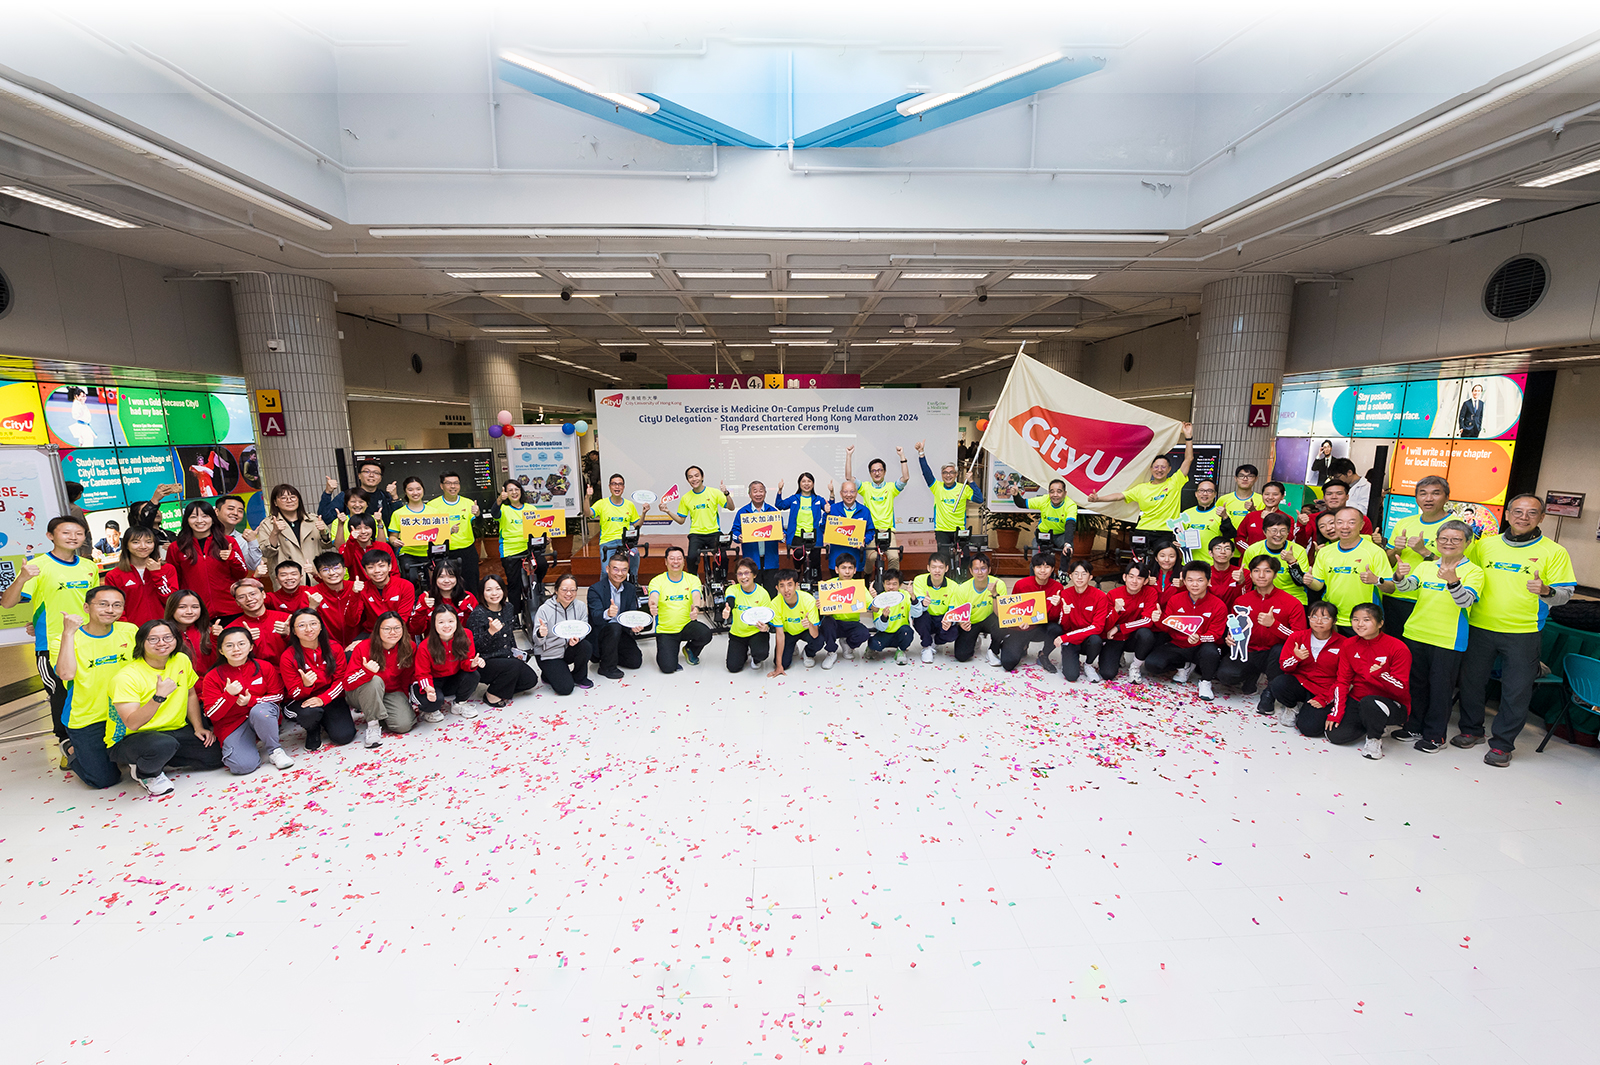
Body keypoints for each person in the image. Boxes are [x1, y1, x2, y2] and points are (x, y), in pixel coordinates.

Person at [1454, 494, 1576, 766]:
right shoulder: (1485, 545)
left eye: (1532, 513)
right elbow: (1461, 569)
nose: (1524, 517)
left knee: (1516, 689)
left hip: (1524, 632)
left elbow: (1565, 593)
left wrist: (1547, 591)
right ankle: (1471, 730)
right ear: (1507, 515)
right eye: (1518, 511)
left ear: (1541, 518)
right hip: (1479, 626)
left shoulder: (1554, 551)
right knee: (1471, 682)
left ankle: (1502, 745)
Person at [0, 515, 96, 752]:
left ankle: (93, 739)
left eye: (79, 533)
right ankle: (66, 742)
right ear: (50, 536)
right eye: (66, 532)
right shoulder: (38, 566)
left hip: (88, 640)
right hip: (51, 644)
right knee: (59, 694)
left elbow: (95, 605)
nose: (73, 537)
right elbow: (7, 603)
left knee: (88, 689)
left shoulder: (89, 567)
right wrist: (22, 578)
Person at [1388, 520, 1483, 754]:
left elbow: (1465, 601)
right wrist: (1399, 577)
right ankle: (1414, 727)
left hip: (1448, 639)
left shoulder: (1474, 571)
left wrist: (1453, 581)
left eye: (1456, 539)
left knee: (1440, 689)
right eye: (1444, 539)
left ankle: (1435, 735)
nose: (1449, 543)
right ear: (1437, 541)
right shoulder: (1426, 566)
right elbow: (1408, 587)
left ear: (1467, 543)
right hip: (1416, 633)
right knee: (1417, 685)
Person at [107, 618, 223, 796]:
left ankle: (158, 757)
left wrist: (198, 727)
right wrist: (158, 697)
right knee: (162, 745)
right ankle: (145, 772)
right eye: (153, 639)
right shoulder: (126, 677)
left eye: (168, 637)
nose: (162, 643)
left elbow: (191, 693)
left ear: (176, 639)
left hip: (174, 729)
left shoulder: (180, 659)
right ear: (141, 642)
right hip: (132, 738)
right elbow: (132, 723)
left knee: (215, 756)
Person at [56, 586, 137, 789]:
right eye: (103, 604)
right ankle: (72, 750)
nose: (110, 610)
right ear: (86, 607)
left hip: (125, 713)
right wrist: (68, 633)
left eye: (116, 605)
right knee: (103, 780)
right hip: (87, 718)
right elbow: (66, 674)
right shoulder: (64, 639)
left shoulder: (129, 631)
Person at [1087, 422, 1194, 561]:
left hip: (1165, 532)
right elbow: (1120, 495)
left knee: (1163, 563)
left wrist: (1188, 437)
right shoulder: (1141, 488)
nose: (1159, 470)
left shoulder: (1175, 482)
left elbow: (1189, 459)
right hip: (1143, 530)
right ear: (1151, 469)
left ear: (1169, 469)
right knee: (1139, 563)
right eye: (1156, 467)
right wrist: (1098, 498)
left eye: (1163, 467)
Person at [1323, 603, 1411, 760]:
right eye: (1355, 619)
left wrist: (1382, 674)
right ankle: (1371, 724)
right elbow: (1342, 681)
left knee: (1370, 703)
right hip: (1359, 700)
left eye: (1366, 620)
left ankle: (1374, 738)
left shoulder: (1398, 648)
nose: (1359, 624)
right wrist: (1336, 713)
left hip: (1391, 703)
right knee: (1336, 736)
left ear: (1380, 623)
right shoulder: (1349, 644)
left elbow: (1401, 688)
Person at [202, 626, 294, 773]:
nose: (236, 649)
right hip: (233, 724)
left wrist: (252, 701)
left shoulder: (264, 666)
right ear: (220, 650)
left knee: (260, 711)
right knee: (242, 766)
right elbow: (211, 714)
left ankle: (274, 750)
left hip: (261, 715)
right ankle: (247, 746)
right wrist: (228, 695)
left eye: (241, 644)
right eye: (229, 645)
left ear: (251, 646)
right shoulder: (212, 676)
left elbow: (278, 696)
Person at [1219, 556, 1306, 708]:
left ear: (1275, 574)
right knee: (1225, 675)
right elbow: (1236, 628)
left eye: (1267, 571)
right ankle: (1252, 675)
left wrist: (1274, 625)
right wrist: (1230, 637)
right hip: (1249, 651)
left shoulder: (1291, 602)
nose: (1261, 575)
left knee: (1279, 650)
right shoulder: (1242, 601)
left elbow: (1299, 638)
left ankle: (1270, 692)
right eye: (1256, 571)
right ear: (1250, 575)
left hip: (1273, 654)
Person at [1144, 560, 1228, 700]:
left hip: (1201, 647)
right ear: (1184, 581)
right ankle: (1184, 666)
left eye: (1200, 580)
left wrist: (1200, 638)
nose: (1194, 584)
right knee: (1152, 664)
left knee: (1211, 652)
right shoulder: (1175, 600)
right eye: (1190, 580)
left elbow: (1216, 634)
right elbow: (1167, 627)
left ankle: (1205, 682)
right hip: (1178, 644)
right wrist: (1157, 619)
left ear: (1208, 581)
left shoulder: (1218, 605)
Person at [1304, 507, 1395, 633]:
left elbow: (1391, 588)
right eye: (1339, 522)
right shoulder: (1324, 552)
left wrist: (1376, 581)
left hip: (1363, 621)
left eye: (1351, 522)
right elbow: (1318, 585)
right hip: (1333, 619)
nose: (1345, 527)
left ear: (1361, 525)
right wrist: (1309, 581)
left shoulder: (1375, 552)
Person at [1383, 475, 1453, 637]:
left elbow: (1457, 569)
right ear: (1416, 498)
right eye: (1423, 493)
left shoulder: (1457, 527)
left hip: (1431, 598)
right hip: (1397, 596)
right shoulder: (1404, 523)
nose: (1428, 498)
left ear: (1446, 497)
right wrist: (1396, 551)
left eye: (1436, 493)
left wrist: (1424, 552)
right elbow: (1389, 562)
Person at [279, 608, 357, 750]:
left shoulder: (334, 648)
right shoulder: (287, 656)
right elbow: (294, 693)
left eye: (313, 623)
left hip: (329, 697)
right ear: (294, 631)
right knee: (311, 713)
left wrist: (324, 698)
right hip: (300, 700)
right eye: (301, 625)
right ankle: (312, 728)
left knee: (344, 736)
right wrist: (306, 686)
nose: (309, 629)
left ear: (321, 626)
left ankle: (324, 720)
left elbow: (341, 680)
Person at [1268, 601, 1348, 732]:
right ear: (1309, 618)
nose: (1319, 621)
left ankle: (1308, 708)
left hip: (1324, 690)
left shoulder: (1344, 643)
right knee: (1279, 683)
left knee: (1309, 729)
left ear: (1334, 621)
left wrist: (1325, 699)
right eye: (1314, 617)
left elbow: (1344, 678)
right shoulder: (1297, 637)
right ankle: (1292, 706)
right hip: (1301, 684)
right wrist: (1296, 658)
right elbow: (1284, 666)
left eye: (1325, 618)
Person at [343, 611, 417, 744]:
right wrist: (366, 672)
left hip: (390, 692)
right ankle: (373, 725)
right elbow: (348, 683)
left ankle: (379, 711)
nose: (392, 632)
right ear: (378, 630)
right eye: (387, 629)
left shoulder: (409, 646)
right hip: (361, 692)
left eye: (397, 628)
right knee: (375, 679)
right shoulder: (363, 647)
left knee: (403, 725)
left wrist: (404, 700)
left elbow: (407, 676)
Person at [168, 501, 249, 619]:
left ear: (213, 518)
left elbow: (242, 573)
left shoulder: (228, 542)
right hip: (196, 612)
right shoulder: (176, 547)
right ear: (187, 520)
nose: (200, 521)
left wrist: (232, 558)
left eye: (205, 516)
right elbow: (175, 580)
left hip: (231, 609)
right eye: (193, 517)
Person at [468, 574, 539, 706]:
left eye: (498, 588)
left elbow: (510, 636)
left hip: (506, 657)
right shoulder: (477, 614)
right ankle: (491, 695)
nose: (494, 593)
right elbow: (474, 647)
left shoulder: (508, 608)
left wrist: (516, 653)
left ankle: (503, 686)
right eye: (488, 590)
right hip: (485, 662)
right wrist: (490, 632)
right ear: (482, 593)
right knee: (514, 666)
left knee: (530, 680)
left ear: (503, 590)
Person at [847, 446, 911, 575]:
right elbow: (849, 477)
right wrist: (849, 455)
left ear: (884, 472)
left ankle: (892, 582)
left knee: (894, 557)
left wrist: (902, 456)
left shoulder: (891, 488)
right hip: (870, 531)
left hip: (888, 531)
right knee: (870, 558)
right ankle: (867, 579)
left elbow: (905, 478)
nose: (877, 473)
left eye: (880, 470)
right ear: (870, 473)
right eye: (873, 471)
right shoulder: (865, 487)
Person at [649, 545, 713, 673]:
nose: (675, 562)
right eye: (672, 559)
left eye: (679, 558)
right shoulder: (657, 581)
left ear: (683, 561)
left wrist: (696, 607)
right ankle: (670, 650)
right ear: (666, 562)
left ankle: (690, 649)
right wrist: (652, 604)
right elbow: (654, 595)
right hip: (666, 631)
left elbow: (696, 594)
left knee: (706, 633)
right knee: (667, 668)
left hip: (686, 627)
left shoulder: (692, 579)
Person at [413, 605, 484, 720]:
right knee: (434, 701)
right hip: (434, 681)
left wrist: (472, 663)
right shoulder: (425, 646)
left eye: (451, 621)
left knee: (473, 675)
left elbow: (466, 661)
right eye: (441, 622)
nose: (447, 626)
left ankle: (459, 704)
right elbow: (422, 673)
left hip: (453, 678)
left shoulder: (466, 635)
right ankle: (429, 711)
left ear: (457, 621)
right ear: (434, 624)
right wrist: (428, 688)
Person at [660, 466, 733, 577]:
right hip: (696, 534)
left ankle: (720, 580)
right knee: (691, 558)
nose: (694, 479)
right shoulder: (686, 498)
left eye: (696, 476)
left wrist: (726, 493)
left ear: (702, 477)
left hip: (714, 532)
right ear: (688, 480)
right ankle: (693, 580)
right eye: (690, 477)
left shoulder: (714, 492)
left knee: (722, 557)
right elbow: (681, 520)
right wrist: (667, 511)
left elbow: (731, 507)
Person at [1098, 561, 1163, 683]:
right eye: (1131, 576)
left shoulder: (1150, 593)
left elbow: (1147, 621)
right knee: (1107, 674)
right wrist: (1116, 610)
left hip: (1133, 637)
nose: (1134, 581)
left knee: (1146, 634)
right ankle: (1119, 654)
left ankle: (1135, 666)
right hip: (1114, 638)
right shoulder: (1113, 594)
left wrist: (1119, 627)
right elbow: (1105, 624)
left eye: (1139, 578)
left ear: (1145, 581)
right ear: (1124, 577)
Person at [1000, 554, 1065, 673]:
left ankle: (1044, 655)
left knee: (1056, 628)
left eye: (1047, 567)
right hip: (1021, 628)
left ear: (1052, 569)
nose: (1043, 570)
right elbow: (1012, 611)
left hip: (1040, 627)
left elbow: (1055, 618)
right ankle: (1021, 646)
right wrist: (1018, 624)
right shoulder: (1021, 584)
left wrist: (1057, 606)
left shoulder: (1057, 587)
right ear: (1033, 568)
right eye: (1039, 566)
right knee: (1008, 663)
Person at [103, 527, 178, 627]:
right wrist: (127, 630)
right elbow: (116, 608)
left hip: (165, 629)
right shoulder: (114, 575)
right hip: (133, 632)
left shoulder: (168, 569)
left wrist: (157, 574)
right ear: (126, 545)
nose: (143, 546)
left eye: (148, 542)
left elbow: (172, 602)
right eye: (136, 542)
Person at [588, 554, 646, 679]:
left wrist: (633, 626)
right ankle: (607, 667)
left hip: (620, 633)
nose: (619, 573)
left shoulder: (630, 588)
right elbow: (595, 617)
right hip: (602, 633)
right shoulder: (595, 589)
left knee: (635, 662)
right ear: (607, 569)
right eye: (615, 569)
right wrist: (607, 613)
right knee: (614, 626)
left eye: (624, 570)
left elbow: (631, 612)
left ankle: (609, 655)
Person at [532, 575, 593, 695]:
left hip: (568, 648)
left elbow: (583, 628)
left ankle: (579, 677)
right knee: (565, 688)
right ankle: (548, 674)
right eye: (564, 590)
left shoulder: (580, 606)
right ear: (556, 590)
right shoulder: (544, 609)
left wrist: (578, 638)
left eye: (573, 590)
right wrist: (540, 634)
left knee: (586, 646)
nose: (569, 594)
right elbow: (536, 641)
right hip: (549, 653)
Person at [255, 483, 331, 579]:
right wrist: (275, 532)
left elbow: (328, 545)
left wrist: (324, 532)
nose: (289, 501)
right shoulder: (268, 524)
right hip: (287, 579)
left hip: (313, 574)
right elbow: (266, 553)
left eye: (293, 497)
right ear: (275, 502)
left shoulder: (313, 520)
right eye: (283, 498)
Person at [1240, 512, 1313, 609]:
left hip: (1294, 598)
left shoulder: (1299, 550)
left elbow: (1301, 582)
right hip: (1263, 597)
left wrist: (1292, 562)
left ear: (1288, 532)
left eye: (1283, 531)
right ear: (1264, 532)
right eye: (1274, 530)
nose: (1278, 535)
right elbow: (1248, 580)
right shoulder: (1253, 550)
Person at [1055, 559, 1111, 684]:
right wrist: (1066, 614)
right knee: (1071, 676)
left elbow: (1097, 627)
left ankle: (1089, 664)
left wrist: (1066, 637)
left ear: (1090, 577)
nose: (1079, 577)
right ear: (1070, 576)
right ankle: (1070, 659)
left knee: (1096, 639)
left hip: (1088, 640)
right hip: (1072, 641)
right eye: (1076, 573)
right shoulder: (1065, 594)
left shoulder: (1100, 596)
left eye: (1084, 574)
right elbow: (1064, 626)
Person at [915, 442, 976, 553]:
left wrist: (971, 481)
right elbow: (926, 473)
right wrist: (921, 453)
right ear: (942, 475)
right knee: (943, 559)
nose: (948, 475)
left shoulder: (963, 488)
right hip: (942, 531)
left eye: (951, 472)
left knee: (966, 558)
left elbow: (979, 499)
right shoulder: (936, 487)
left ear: (956, 474)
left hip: (959, 530)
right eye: (945, 473)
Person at [949, 554, 1007, 666]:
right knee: (961, 655)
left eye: (983, 568)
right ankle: (975, 640)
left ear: (989, 570)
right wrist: (962, 623)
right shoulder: (963, 589)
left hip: (990, 619)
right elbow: (959, 614)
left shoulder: (999, 584)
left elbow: (1001, 614)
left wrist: (995, 594)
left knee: (1002, 622)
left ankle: (993, 651)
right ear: (971, 570)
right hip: (972, 622)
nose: (980, 572)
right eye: (976, 569)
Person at [731, 480, 786, 595]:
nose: (758, 494)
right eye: (755, 491)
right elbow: (734, 532)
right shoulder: (743, 512)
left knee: (771, 593)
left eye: (761, 491)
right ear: (749, 494)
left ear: (765, 493)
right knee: (752, 594)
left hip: (770, 560)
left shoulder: (773, 512)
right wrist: (738, 537)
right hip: (751, 560)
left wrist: (783, 536)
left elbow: (781, 531)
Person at [431, 472, 482, 595]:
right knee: (447, 588)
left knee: (471, 586)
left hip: (467, 550)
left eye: (456, 483)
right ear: (441, 486)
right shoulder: (432, 506)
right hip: (444, 552)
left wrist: (478, 514)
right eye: (448, 483)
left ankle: (473, 612)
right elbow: (430, 531)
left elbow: (480, 526)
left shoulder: (469, 503)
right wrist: (448, 531)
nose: (452, 486)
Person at [490, 479, 533, 619]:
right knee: (514, 584)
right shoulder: (503, 509)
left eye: (517, 489)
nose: (514, 492)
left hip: (529, 549)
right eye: (510, 490)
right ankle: (514, 616)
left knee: (543, 564)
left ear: (521, 491)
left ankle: (535, 595)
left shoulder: (531, 509)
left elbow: (539, 527)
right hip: (510, 551)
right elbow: (494, 513)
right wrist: (499, 501)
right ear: (505, 493)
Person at [819, 555, 872, 668]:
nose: (847, 572)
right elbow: (825, 612)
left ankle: (848, 644)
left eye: (850, 568)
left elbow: (873, 607)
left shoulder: (859, 586)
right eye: (843, 568)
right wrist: (821, 606)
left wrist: (875, 598)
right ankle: (831, 652)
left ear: (855, 570)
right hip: (834, 623)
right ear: (837, 569)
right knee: (827, 622)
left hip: (852, 623)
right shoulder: (829, 585)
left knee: (864, 633)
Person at [1012, 478, 1079, 568]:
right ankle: (1034, 577)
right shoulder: (1044, 500)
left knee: (1068, 548)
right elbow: (1022, 504)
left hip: (1060, 534)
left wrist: (1067, 544)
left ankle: (1063, 572)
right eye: (1052, 492)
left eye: (1059, 491)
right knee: (1036, 559)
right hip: (1044, 533)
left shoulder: (1070, 505)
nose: (1055, 495)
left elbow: (1070, 525)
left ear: (1065, 493)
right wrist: (1016, 495)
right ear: (1048, 493)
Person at [768, 568, 824, 676]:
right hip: (788, 632)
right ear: (777, 588)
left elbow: (815, 634)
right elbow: (779, 634)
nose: (786, 590)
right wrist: (779, 665)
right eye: (782, 586)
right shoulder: (774, 604)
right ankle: (792, 646)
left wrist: (810, 625)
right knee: (783, 664)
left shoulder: (808, 600)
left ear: (796, 585)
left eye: (789, 585)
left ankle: (808, 653)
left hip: (805, 630)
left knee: (819, 640)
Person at [589, 474, 644, 582]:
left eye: (620, 484)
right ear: (609, 486)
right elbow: (588, 513)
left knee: (635, 553)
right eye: (614, 484)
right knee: (606, 571)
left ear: (623, 487)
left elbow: (637, 525)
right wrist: (587, 498)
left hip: (625, 541)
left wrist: (644, 513)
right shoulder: (602, 503)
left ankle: (634, 581)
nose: (617, 487)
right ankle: (604, 590)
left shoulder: (629, 505)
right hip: (607, 542)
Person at [724, 559, 775, 673]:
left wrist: (765, 628)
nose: (743, 577)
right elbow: (730, 600)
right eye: (740, 573)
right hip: (738, 633)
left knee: (761, 653)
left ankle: (756, 659)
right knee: (733, 667)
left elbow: (768, 619)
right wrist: (727, 609)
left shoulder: (763, 594)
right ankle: (744, 651)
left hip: (756, 632)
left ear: (754, 575)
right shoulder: (732, 589)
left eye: (747, 573)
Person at [307, 551, 367, 647]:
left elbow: (353, 621)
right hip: (326, 646)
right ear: (318, 574)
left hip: (356, 644)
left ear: (344, 570)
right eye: (325, 569)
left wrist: (355, 594)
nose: (331, 573)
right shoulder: (312, 594)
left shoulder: (357, 588)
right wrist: (312, 607)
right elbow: (306, 626)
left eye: (336, 568)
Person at [388, 477, 438, 588]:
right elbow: (392, 536)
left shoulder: (434, 512)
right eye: (410, 489)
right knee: (411, 580)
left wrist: (451, 530)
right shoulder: (398, 513)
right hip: (408, 553)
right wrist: (394, 541)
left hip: (430, 553)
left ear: (423, 490)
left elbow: (440, 533)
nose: (415, 493)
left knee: (435, 582)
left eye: (418, 489)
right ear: (405, 492)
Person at [357, 549, 422, 634]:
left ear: (390, 567)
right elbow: (352, 621)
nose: (377, 570)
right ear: (365, 571)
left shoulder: (405, 586)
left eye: (381, 566)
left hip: (399, 632)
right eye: (371, 567)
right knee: (353, 647)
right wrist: (355, 595)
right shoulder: (362, 588)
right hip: (372, 633)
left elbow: (403, 618)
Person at [910, 555, 959, 663]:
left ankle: (935, 642)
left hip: (942, 617)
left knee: (953, 632)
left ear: (946, 568)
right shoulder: (919, 580)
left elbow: (953, 609)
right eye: (934, 567)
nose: (937, 571)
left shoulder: (954, 586)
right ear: (928, 568)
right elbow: (917, 610)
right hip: (927, 616)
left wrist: (950, 620)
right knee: (921, 616)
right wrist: (923, 603)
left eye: (941, 567)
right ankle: (926, 646)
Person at [319, 460, 400, 525]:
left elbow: (400, 521)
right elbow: (325, 519)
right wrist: (328, 492)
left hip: (381, 543)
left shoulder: (385, 496)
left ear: (381, 478)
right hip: (353, 542)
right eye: (367, 472)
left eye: (376, 473)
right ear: (359, 475)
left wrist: (395, 496)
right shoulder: (347, 495)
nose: (371, 475)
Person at [775, 472, 830, 568]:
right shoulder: (794, 498)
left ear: (813, 483)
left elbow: (829, 508)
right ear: (799, 484)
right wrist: (780, 490)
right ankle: (798, 573)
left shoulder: (818, 499)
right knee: (798, 560)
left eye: (809, 481)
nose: (806, 484)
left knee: (815, 565)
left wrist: (832, 494)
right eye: (803, 481)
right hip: (797, 536)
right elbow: (780, 505)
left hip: (815, 537)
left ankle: (814, 582)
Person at [229, 577, 291, 662]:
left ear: (263, 594)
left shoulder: (286, 619)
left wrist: (288, 635)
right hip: (255, 672)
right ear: (237, 602)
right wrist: (246, 642)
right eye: (242, 597)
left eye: (253, 594)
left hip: (288, 670)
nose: (249, 599)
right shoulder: (232, 629)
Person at [824, 481, 876, 576]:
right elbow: (823, 527)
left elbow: (871, 531)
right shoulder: (833, 509)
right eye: (845, 492)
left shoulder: (864, 510)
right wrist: (826, 514)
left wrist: (865, 540)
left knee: (855, 587)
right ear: (841, 493)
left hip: (856, 556)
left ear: (856, 493)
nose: (849, 495)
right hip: (836, 555)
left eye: (852, 492)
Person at [164, 591, 218, 675]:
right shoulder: (163, 636)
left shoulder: (211, 632)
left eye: (195, 607)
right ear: (171, 609)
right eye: (182, 607)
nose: (189, 611)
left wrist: (219, 639)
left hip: (210, 684)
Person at [868, 569, 915, 664]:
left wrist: (913, 596)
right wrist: (884, 617)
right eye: (888, 584)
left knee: (908, 632)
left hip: (900, 632)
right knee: (873, 644)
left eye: (894, 584)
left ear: (900, 585)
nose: (891, 587)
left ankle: (901, 650)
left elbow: (917, 613)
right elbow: (879, 626)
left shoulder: (905, 595)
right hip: (884, 633)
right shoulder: (879, 599)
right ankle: (871, 648)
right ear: (883, 584)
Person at [1232, 481, 1293, 553]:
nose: (1270, 497)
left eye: (1275, 494)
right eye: (1267, 494)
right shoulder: (1251, 516)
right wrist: (1250, 552)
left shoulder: (1287, 518)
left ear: (1282, 496)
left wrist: (1270, 519)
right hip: (1251, 560)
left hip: (1275, 560)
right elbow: (1239, 537)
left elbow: (1288, 539)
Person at [1172, 479, 1225, 560]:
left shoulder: (1221, 514)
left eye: (1209, 491)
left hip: (1212, 564)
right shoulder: (1186, 514)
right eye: (1201, 490)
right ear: (1196, 494)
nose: (1204, 493)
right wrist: (1176, 543)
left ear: (1215, 494)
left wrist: (1225, 518)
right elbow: (1179, 535)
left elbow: (1229, 537)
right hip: (1188, 562)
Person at [214, 495, 263, 577]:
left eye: (240, 511)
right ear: (217, 511)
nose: (235, 513)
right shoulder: (205, 535)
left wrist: (252, 541)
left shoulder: (242, 539)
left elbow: (253, 566)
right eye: (230, 509)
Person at [423, 561, 479, 630]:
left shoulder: (468, 597)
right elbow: (415, 630)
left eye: (451, 576)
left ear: (457, 578)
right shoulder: (426, 598)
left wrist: (468, 611)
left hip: (462, 639)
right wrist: (422, 609)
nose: (446, 580)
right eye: (441, 577)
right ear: (435, 579)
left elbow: (477, 627)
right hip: (433, 640)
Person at [340, 513, 396, 580]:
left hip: (383, 586)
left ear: (372, 529)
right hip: (359, 587)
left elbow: (394, 572)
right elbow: (346, 563)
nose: (363, 531)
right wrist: (351, 540)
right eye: (358, 528)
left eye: (367, 528)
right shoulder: (346, 547)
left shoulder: (384, 546)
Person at [1219, 464, 1264, 532]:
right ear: (1235, 478)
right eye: (1241, 476)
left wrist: (1253, 510)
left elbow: (1263, 523)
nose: (1245, 479)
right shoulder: (1223, 499)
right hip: (1228, 541)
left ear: (1256, 479)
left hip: (1251, 541)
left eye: (1250, 476)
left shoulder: (1262, 500)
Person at [1206, 536, 1244, 607]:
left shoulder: (1244, 573)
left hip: (1235, 615)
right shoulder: (1203, 573)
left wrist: (1241, 583)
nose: (1223, 552)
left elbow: (1245, 599)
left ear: (1232, 554)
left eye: (1227, 549)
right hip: (1209, 614)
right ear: (1210, 553)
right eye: (1218, 548)